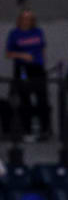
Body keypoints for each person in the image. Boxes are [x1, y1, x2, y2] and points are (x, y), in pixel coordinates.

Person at [5, 9, 50, 139]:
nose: (26, 21)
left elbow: (42, 50)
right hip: (22, 68)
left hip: (37, 68)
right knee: (25, 100)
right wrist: (22, 55)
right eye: (24, 18)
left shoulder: (38, 32)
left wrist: (42, 63)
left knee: (42, 99)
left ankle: (44, 129)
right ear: (20, 20)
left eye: (29, 18)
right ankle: (27, 129)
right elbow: (8, 53)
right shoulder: (14, 34)